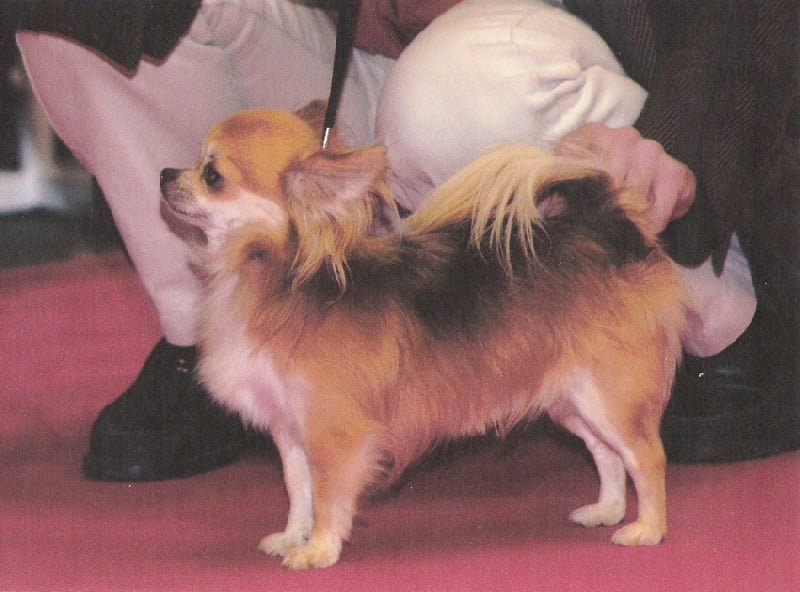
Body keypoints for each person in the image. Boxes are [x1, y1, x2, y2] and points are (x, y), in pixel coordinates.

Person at [14, 0, 798, 481]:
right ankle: (231, 340)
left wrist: (677, 141)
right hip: (349, 57)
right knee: (78, 11)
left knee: (450, 95)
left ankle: (708, 309)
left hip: (546, 58)